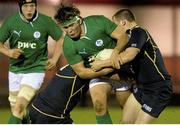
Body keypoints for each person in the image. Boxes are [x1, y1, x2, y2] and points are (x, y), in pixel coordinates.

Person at [91, 8, 173, 123]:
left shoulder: (138, 32)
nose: (114, 30)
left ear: (123, 23)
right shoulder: (127, 39)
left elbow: (129, 55)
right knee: (125, 123)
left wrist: (102, 63)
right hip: (141, 87)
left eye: (115, 25)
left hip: (158, 88)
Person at [54, 4, 132, 124]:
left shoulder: (98, 22)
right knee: (99, 106)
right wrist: (104, 70)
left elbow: (123, 36)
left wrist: (115, 53)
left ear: (79, 20)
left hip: (121, 70)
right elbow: (82, 72)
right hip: (98, 74)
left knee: (128, 111)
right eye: (65, 27)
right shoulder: (68, 45)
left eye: (71, 25)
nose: (69, 30)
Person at [0, 0, 64, 123]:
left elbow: (60, 38)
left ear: (35, 6)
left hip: (36, 70)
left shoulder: (45, 21)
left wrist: (55, 59)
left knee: (18, 107)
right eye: (26, 6)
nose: (29, 9)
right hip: (15, 70)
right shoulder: (11, 22)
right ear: (20, 7)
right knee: (17, 109)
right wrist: (8, 52)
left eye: (32, 6)